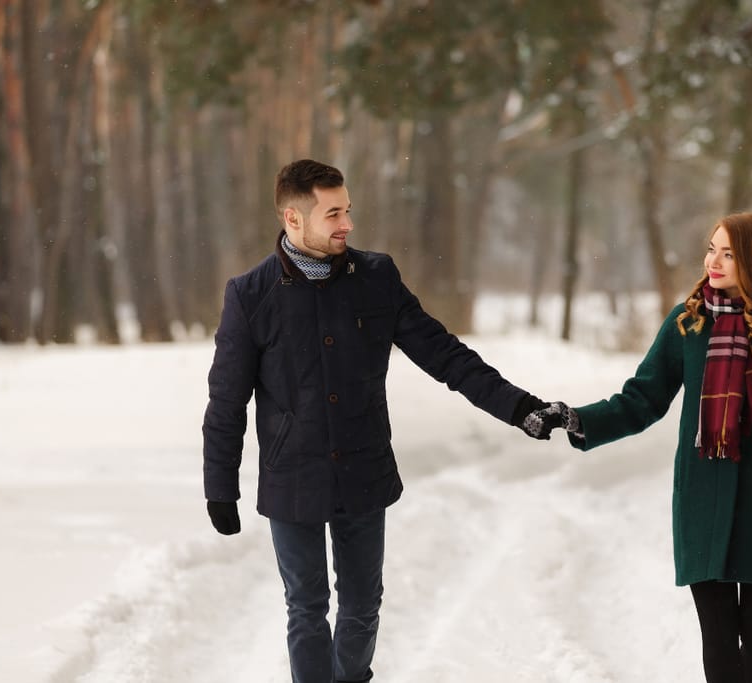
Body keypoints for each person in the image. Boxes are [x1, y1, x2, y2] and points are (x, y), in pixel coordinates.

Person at [202, 159, 550, 683]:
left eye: (349, 210)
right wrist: (219, 487)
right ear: (294, 220)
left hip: (364, 468)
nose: (348, 224)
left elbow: (446, 356)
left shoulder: (376, 278)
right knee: (307, 609)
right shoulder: (251, 296)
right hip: (291, 473)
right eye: (333, 213)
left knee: (363, 605)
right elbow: (227, 401)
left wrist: (521, 408)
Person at [526, 212, 752, 683]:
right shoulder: (689, 322)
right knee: (719, 637)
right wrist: (576, 417)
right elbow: (642, 397)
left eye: (729, 253)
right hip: (704, 497)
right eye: (711, 249)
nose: (714, 261)